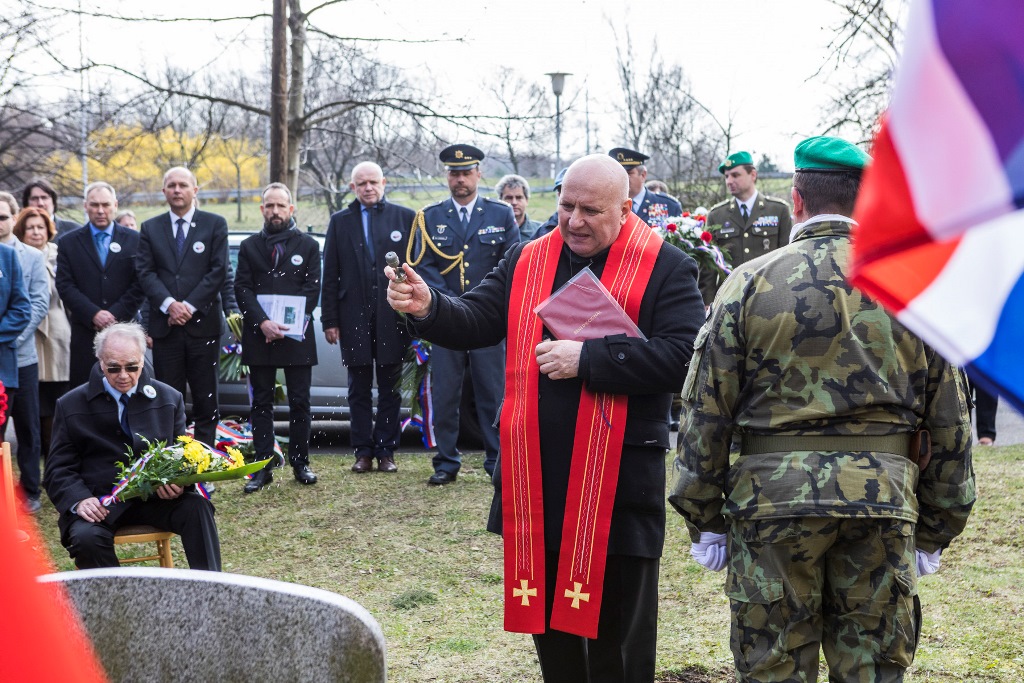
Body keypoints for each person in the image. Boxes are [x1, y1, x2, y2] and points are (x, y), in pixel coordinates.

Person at [669, 137, 976, 683]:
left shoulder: (747, 283)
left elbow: (705, 411)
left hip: (772, 505)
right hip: (883, 499)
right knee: (872, 668)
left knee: (774, 667)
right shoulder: (912, 285)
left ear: (796, 198)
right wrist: (937, 526)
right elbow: (950, 419)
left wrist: (704, 516)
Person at [388, 154, 705, 682]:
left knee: (616, 645)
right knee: (554, 641)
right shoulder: (527, 257)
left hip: (616, 486)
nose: (574, 221)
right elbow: (477, 318)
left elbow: (684, 358)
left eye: (590, 211)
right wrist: (428, 307)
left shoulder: (666, 266)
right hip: (536, 480)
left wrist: (590, 359)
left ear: (626, 210)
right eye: (566, 206)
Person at [42, 322, 221, 570]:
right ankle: (118, 594)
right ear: (100, 362)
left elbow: (181, 456)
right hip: (100, 501)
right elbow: (57, 470)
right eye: (113, 368)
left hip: (155, 499)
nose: (123, 375)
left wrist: (178, 483)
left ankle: (212, 588)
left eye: (132, 367)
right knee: (86, 539)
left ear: (142, 359)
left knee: (198, 509)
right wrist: (80, 500)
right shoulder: (71, 404)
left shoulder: (170, 398)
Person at [406, 144, 520, 484]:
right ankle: (446, 461)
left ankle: (496, 459)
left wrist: (479, 304)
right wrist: (452, 306)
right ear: (447, 177)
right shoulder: (430, 217)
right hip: (446, 320)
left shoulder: (500, 215)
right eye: (454, 173)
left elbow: (511, 262)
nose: (460, 179)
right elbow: (424, 266)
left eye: (466, 172)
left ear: (478, 174)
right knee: (445, 394)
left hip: (488, 320)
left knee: (493, 393)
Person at [322, 162, 414, 474]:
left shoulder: (404, 218)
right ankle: (362, 451)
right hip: (353, 317)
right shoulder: (340, 221)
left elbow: (415, 269)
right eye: (361, 183)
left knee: (390, 387)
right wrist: (330, 320)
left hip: (393, 316)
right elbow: (330, 273)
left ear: (383, 182)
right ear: (353, 187)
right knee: (358, 388)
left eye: (373, 182)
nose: (368, 188)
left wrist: (417, 315)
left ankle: (386, 451)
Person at [235, 183, 320, 492]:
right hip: (260, 335)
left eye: (280, 206)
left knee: (300, 401)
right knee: (261, 402)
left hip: (296, 335)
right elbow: (242, 288)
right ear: (262, 209)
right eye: (269, 206)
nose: (275, 211)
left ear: (291, 209)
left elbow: (312, 289)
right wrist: (263, 323)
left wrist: (286, 324)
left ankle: (300, 463)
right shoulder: (249, 246)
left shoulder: (308, 245)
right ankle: (262, 466)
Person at [137, 167, 228, 447]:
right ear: (164, 191)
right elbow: (145, 272)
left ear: (195, 190)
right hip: (166, 329)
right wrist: (169, 306)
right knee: (167, 397)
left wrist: (187, 306)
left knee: (205, 398)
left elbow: (218, 271)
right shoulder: (150, 228)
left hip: (203, 327)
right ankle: (172, 456)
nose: (177, 190)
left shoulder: (215, 224)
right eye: (172, 185)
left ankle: (205, 457)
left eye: (183, 185)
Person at [55, 181, 144, 386]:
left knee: (126, 386)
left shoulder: (135, 240)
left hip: (124, 330)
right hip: (85, 332)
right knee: (85, 390)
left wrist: (115, 314)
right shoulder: (69, 242)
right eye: (94, 205)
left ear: (115, 205)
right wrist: (93, 314)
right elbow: (65, 285)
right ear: (85, 206)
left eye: (105, 204)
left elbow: (140, 283)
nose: (100, 210)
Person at [0, 194, 51, 514]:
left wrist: (10, 339)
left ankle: (30, 490)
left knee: (29, 427)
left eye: (3, 217)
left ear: (13, 217)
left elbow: (37, 303)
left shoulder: (30, 256)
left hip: (22, 356)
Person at [13, 208, 70, 462]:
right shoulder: (15, 256)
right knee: (32, 403)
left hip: (57, 335)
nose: (36, 232)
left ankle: (56, 460)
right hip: (28, 334)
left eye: (40, 227)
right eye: (30, 228)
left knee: (56, 400)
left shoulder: (60, 256)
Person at [700, 151, 793, 305]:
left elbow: (787, 258)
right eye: (726, 176)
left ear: (753, 175)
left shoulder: (778, 210)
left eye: (735, 175)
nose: (729, 181)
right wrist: (707, 303)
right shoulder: (716, 215)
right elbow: (708, 267)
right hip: (729, 299)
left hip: (768, 296)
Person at [608, 147, 682, 225]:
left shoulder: (668, 204)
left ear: (643, 175)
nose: (623, 178)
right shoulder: (608, 206)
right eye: (619, 174)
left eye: (628, 173)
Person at [496, 174, 542, 239]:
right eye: (509, 198)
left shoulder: (541, 231)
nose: (514, 202)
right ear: (500, 201)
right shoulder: (491, 232)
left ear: (526, 200)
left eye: (519, 197)